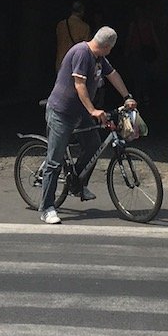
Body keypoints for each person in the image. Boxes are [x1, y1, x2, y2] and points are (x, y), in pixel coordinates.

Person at [39, 25, 135, 225]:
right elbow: (79, 84)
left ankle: (77, 183)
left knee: (93, 145)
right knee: (54, 162)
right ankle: (47, 207)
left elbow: (113, 74)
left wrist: (127, 96)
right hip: (61, 112)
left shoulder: (98, 57)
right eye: (111, 48)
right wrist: (93, 110)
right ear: (107, 46)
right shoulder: (82, 53)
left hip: (80, 112)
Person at [53, 0, 91, 70]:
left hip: (60, 61)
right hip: (75, 63)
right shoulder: (84, 27)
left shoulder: (61, 25)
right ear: (82, 11)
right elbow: (87, 48)